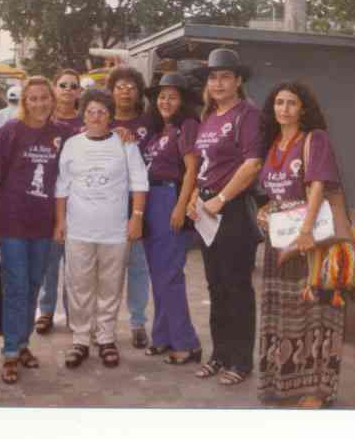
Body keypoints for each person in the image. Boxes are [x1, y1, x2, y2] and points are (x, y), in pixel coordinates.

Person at [255, 81, 349, 409]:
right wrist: (265, 211)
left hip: (311, 241)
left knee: (317, 313)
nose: (284, 109)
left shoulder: (314, 140)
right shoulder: (273, 144)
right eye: (279, 102)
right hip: (279, 243)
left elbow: (318, 185)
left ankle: (317, 390)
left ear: (303, 109)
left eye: (291, 103)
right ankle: (283, 382)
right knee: (282, 314)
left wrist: (306, 231)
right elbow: (272, 193)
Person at [54, 88, 149, 369]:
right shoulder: (72, 144)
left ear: (110, 116)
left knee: (110, 285)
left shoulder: (125, 144)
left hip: (115, 231)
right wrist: (60, 222)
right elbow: (62, 187)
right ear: (83, 114)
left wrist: (137, 217)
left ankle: (106, 338)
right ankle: (81, 339)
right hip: (79, 229)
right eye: (91, 111)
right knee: (79, 285)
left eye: (102, 112)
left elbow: (139, 183)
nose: (96, 117)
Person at [186, 48, 263, 386]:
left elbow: (252, 164)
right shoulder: (209, 117)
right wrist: (193, 198)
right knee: (215, 286)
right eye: (213, 78)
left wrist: (220, 198)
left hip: (232, 211)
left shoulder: (247, 115)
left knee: (237, 288)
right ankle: (219, 355)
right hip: (206, 211)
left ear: (238, 81)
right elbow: (204, 167)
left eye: (224, 77)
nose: (217, 83)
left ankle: (241, 361)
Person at [0, 76, 71, 384]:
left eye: (44, 97)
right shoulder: (10, 131)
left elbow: (89, 143)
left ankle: (23, 343)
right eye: (32, 98)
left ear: (52, 100)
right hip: (12, 223)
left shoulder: (62, 134)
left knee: (34, 284)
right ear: (24, 102)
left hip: (45, 223)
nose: (39, 103)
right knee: (16, 285)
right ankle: (10, 351)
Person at [142, 73, 202, 364]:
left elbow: (192, 169)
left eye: (172, 96)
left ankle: (187, 343)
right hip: (152, 201)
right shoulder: (158, 130)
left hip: (171, 197)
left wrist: (179, 207)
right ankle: (162, 336)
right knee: (158, 275)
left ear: (183, 101)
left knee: (169, 276)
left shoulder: (187, 126)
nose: (165, 101)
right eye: (161, 96)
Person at [105, 66, 153, 349]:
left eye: (131, 87)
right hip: (107, 203)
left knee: (138, 265)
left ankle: (137, 323)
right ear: (111, 92)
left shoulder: (150, 121)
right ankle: (103, 324)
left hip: (140, 201)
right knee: (107, 267)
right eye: (119, 86)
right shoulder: (100, 122)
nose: (125, 91)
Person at [35, 69, 85, 335]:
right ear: (55, 88)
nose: (67, 89)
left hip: (78, 202)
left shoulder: (85, 123)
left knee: (75, 264)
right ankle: (45, 311)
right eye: (62, 85)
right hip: (46, 201)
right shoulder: (42, 120)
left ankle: (73, 312)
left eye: (73, 86)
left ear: (79, 92)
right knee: (49, 260)